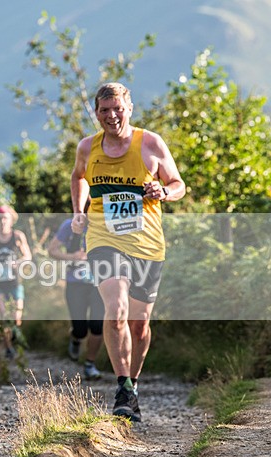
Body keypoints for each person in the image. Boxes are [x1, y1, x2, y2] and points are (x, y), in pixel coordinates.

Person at [70, 82, 185, 422]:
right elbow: (79, 178)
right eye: (104, 110)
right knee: (116, 308)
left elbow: (178, 185)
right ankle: (122, 385)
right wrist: (79, 210)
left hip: (147, 244)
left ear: (129, 108)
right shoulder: (88, 147)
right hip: (104, 238)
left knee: (139, 324)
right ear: (97, 113)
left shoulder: (149, 143)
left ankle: (132, 385)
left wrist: (163, 191)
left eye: (117, 108)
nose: (111, 115)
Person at [48, 208, 103, 380]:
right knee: (81, 329)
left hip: (100, 284)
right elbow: (52, 250)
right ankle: (75, 338)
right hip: (75, 284)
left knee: (97, 326)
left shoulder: (105, 225)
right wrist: (72, 257)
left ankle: (90, 364)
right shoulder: (68, 226)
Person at [0, 204, 32, 359]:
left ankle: (8, 341)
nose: (2, 221)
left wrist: (17, 262)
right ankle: (9, 349)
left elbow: (28, 256)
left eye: (5, 218)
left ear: (11, 220)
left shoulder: (17, 236)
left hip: (14, 281)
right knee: (3, 315)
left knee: (16, 317)